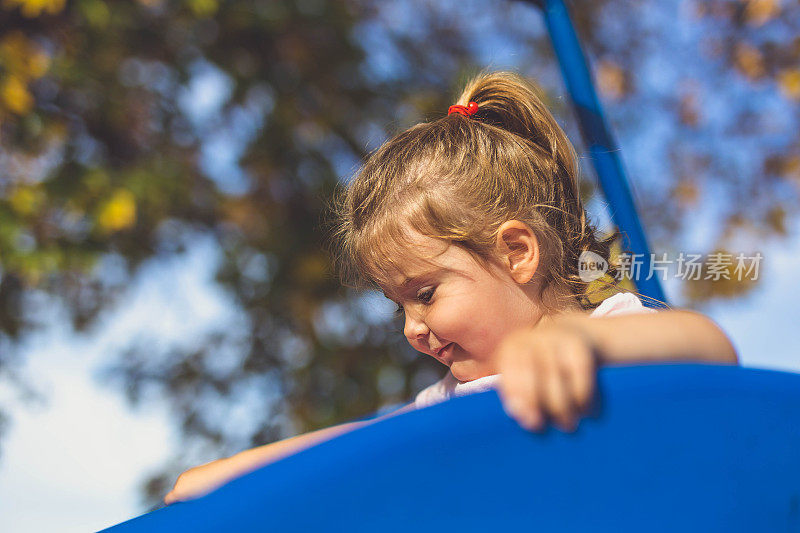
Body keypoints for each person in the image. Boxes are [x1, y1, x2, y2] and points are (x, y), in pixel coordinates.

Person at [164, 69, 738, 505]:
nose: (411, 328)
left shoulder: (607, 337)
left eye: (426, 293)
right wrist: (236, 473)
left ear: (516, 253)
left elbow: (709, 346)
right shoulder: (447, 400)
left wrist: (587, 348)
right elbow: (355, 444)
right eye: (398, 305)